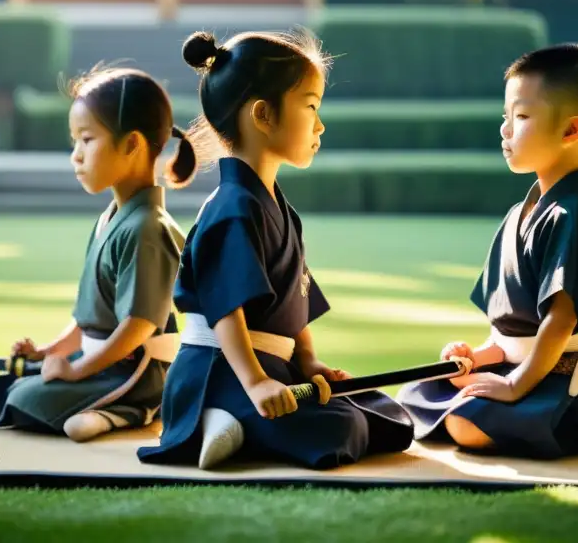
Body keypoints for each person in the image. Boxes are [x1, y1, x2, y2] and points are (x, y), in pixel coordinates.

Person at [136, 27, 414, 471]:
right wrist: (255, 381)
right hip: (222, 372)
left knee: (383, 416)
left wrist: (307, 360)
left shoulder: (271, 205)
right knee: (340, 429)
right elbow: (226, 309)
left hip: (268, 370)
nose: (319, 124)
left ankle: (234, 426)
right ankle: (216, 417)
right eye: (310, 107)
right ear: (263, 115)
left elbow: (294, 296)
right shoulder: (232, 209)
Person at [396, 43, 578, 460]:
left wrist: (512, 385)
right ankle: (509, 408)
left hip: (572, 379)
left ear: (571, 131)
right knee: (417, 394)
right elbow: (513, 331)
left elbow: (560, 321)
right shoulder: (519, 214)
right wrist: (477, 358)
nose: (505, 130)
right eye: (506, 116)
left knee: (463, 421)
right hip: (522, 367)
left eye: (521, 117)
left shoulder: (575, 216)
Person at [0, 67, 193, 442]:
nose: (76, 156)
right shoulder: (113, 219)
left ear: (132, 144)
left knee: (23, 400)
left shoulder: (148, 229)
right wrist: (47, 352)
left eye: (87, 140)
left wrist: (77, 371)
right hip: (103, 364)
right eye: (76, 142)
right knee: (1, 391)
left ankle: (130, 411)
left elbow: (138, 326)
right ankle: (98, 407)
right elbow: (87, 320)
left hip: (136, 372)